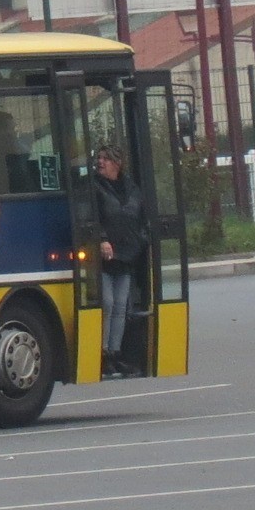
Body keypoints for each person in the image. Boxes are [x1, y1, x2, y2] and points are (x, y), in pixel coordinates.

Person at [82, 144, 149, 377]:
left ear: (117, 163)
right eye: (98, 158)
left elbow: (140, 219)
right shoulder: (94, 188)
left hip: (127, 255)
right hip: (103, 257)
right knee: (107, 303)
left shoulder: (131, 189)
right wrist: (101, 239)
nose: (100, 162)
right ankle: (100, 354)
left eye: (105, 159)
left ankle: (114, 354)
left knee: (121, 306)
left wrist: (140, 241)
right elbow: (91, 217)